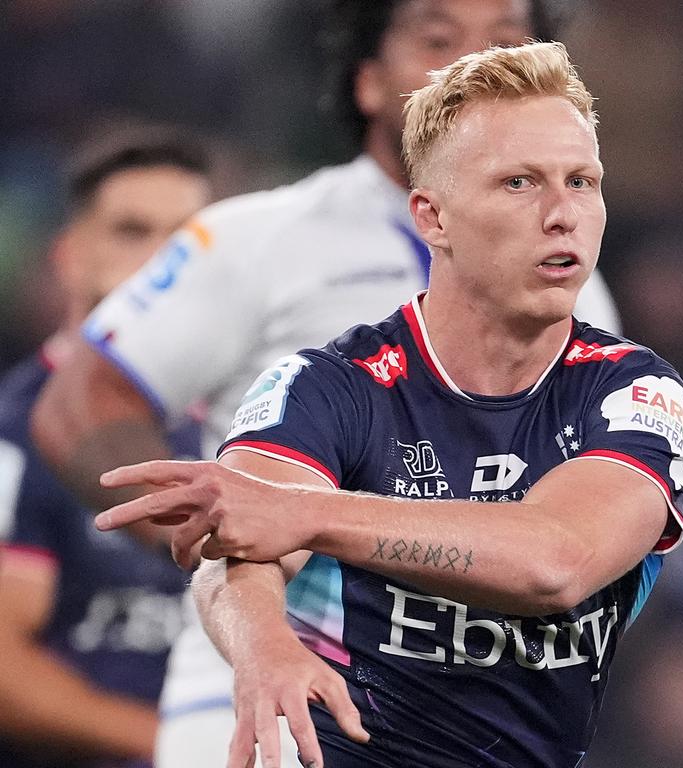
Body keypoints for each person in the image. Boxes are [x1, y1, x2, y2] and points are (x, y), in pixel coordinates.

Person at [30, 2, 620, 766]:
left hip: (475, 723)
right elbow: (82, 399)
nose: (475, 64)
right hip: (260, 693)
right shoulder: (262, 238)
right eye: (438, 40)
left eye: (506, 40)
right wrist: (210, 532)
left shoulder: (580, 285)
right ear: (368, 82)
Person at [0, 126, 213, 768]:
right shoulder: (16, 432)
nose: (162, 262)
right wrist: (181, 746)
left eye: (186, 239)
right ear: (68, 257)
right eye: (131, 231)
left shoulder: (255, 415)